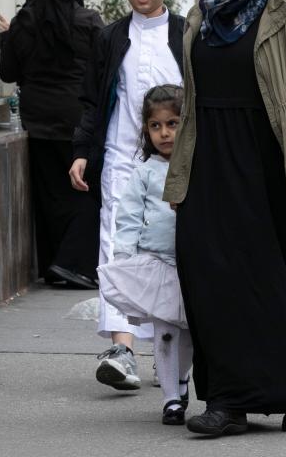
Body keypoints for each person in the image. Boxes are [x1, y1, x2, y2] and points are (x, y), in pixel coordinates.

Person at [163, 0, 286, 437]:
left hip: (274, 165)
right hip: (212, 166)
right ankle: (228, 402)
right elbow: (190, 101)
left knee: (283, 282)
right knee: (214, 279)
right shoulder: (200, 17)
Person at [69, 0, 185, 390]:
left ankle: (169, 349)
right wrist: (82, 150)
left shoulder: (185, 32)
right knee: (118, 249)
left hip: (177, 164)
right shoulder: (111, 36)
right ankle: (122, 350)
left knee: (172, 252)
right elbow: (93, 99)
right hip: (121, 160)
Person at [0, 0, 104, 289]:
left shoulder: (24, 21)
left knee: (50, 195)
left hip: (38, 118)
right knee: (86, 191)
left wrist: (7, 36)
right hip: (78, 116)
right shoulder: (88, 21)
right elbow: (103, 68)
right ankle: (74, 263)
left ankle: (53, 264)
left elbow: (8, 72)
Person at [98, 85, 192, 425]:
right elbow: (127, 217)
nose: (164, 133)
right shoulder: (144, 172)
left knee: (191, 333)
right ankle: (171, 400)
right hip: (159, 265)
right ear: (146, 130)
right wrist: (124, 256)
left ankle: (182, 381)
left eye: (172, 123)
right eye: (156, 126)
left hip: (194, 266)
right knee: (166, 331)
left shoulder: (200, 164)